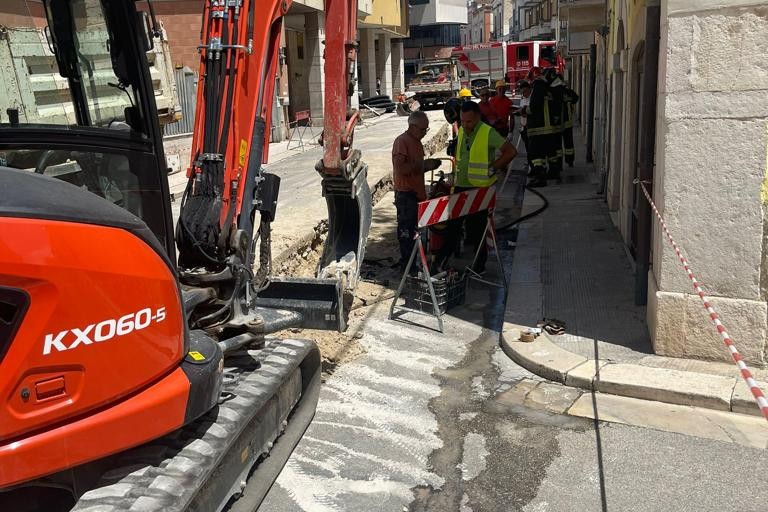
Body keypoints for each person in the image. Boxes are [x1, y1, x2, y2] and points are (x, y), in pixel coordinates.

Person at [439, 101, 517, 273]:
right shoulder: (460, 131)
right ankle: (440, 263)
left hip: (480, 190)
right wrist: (453, 178)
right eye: (463, 121)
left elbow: (511, 151)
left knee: (478, 230)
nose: (465, 125)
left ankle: (479, 266)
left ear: (478, 118)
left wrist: (493, 167)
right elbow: (460, 160)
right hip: (461, 187)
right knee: (452, 228)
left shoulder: (487, 132)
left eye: (469, 122)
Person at [392, 111, 441, 270]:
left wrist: (427, 166)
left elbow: (415, 169)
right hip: (407, 195)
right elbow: (401, 168)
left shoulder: (416, 142)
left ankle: (412, 263)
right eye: (422, 130)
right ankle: (408, 266)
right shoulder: (402, 142)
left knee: (414, 232)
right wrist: (424, 165)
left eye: (426, 130)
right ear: (412, 127)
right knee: (407, 233)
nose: (424, 133)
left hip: (415, 194)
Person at [525, 71, 557, 187]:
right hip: (548, 127)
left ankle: (539, 178)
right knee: (546, 153)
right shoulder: (547, 88)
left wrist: (523, 111)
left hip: (538, 128)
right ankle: (551, 172)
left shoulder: (538, 87)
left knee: (536, 155)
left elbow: (533, 107)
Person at [561, 76, 580, 167]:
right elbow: (576, 98)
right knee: (569, 143)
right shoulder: (569, 92)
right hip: (568, 122)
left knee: (557, 144)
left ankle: (558, 163)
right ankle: (570, 161)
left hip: (557, 124)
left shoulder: (554, 92)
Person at [514, 79, 533, 171]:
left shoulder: (533, 99)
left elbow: (530, 112)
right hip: (524, 127)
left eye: (525, 92)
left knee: (531, 149)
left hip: (531, 127)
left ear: (530, 89)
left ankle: (533, 167)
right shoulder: (522, 100)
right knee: (527, 149)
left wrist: (521, 112)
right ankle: (530, 166)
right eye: (522, 93)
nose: (523, 94)